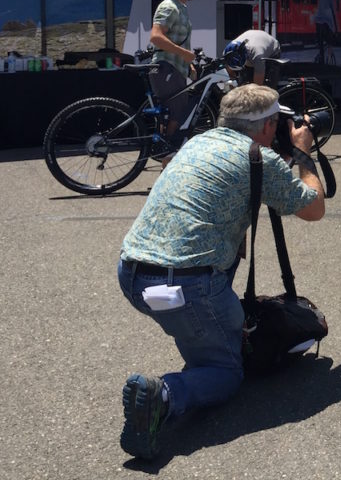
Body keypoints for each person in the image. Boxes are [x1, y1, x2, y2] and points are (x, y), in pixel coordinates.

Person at [117, 84, 325, 459]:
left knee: (216, 285)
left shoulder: (197, 143)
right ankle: (163, 394)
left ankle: (206, 339)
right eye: (279, 122)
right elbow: (313, 208)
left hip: (132, 273)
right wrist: (303, 152)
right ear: (267, 126)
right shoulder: (260, 158)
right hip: (186, 286)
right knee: (226, 373)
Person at [149, 0, 203, 150]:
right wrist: (183, 54)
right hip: (166, 68)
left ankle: (167, 151)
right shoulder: (168, 7)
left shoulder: (181, 8)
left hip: (175, 68)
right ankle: (167, 151)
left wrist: (189, 65)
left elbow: (178, 40)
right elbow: (156, 37)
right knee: (178, 111)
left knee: (174, 112)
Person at [312, 0, 337, 65]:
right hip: (326, 21)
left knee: (321, 43)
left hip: (318, 21)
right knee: (330, 39)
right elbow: (333, 10)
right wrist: (336, 27)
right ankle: (329, 56)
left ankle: (321, 57)